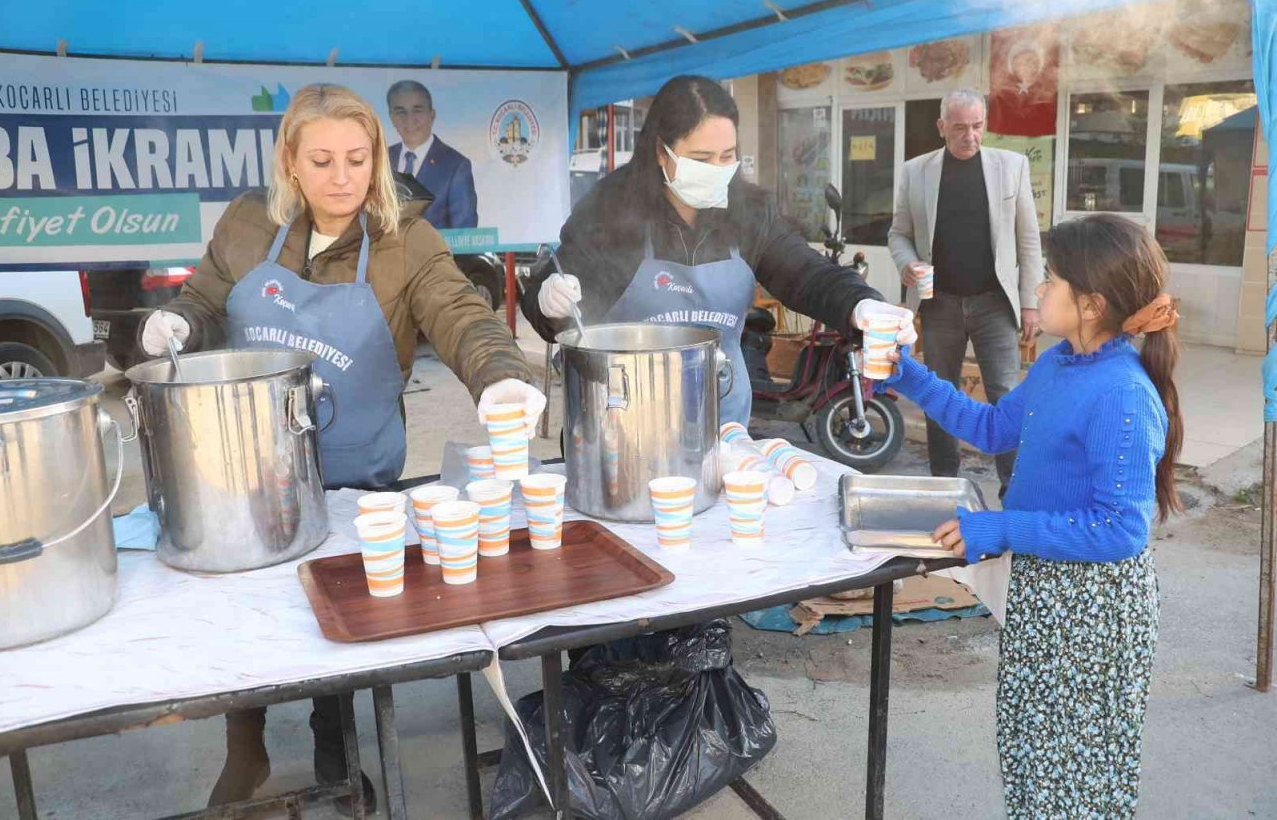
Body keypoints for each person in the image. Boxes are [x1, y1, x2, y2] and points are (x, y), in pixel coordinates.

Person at [140, 83, 542, 814]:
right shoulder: (249, 224)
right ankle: (246, 745)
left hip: (358, 474)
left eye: (358, 159)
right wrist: (178, 323)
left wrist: (501, 375)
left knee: (345, 615)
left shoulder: (405, 240)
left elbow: (462, 314)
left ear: (377, 158)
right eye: (322, 161)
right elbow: (203, 301)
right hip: (254, 465)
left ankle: (338, 745)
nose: (342, 178)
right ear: (290, 162)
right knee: (247, 612)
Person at [879, 214, 1181, 818]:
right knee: (1030, 759)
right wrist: (908, 374)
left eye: (1051, 279)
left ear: (1092, 305)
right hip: (1047, 596)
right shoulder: (1059, 363)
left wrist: (999, 528)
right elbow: (993, 427)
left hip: (1092, 616)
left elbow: (1120, 530)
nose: (1038, 289)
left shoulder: (1122, 393)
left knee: (1074, 781)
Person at [521, 74, 912, 426]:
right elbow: (559, 302)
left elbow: (806, 273)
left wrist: (859, 303)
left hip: (721, 422)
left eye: (727, 156)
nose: (717, 168)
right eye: (701, 159)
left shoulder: (749, 212)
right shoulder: (612, 210)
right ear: (661, 152)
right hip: (621, 424)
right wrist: (549, 300)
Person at [887, 88, 1043, 496]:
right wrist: (907, 263)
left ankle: (1014, 488)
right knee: (940, 394)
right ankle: (944, 481)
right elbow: (898, 234)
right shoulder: (915, 171)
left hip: (996, 304)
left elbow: (1029, 240)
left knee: (1006, 397)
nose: (970, 136)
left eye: (977, 126)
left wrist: (1031, 303)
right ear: (941, 127)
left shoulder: (1012, 166)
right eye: (959, 128)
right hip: (939, 304)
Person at [386, 80, 478, 228]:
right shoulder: (381, 159)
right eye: (400, 112)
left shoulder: (456, 166)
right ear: (391, 117)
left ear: (432, 115)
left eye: (417, 110)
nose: (409, 120)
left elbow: (464, 231)